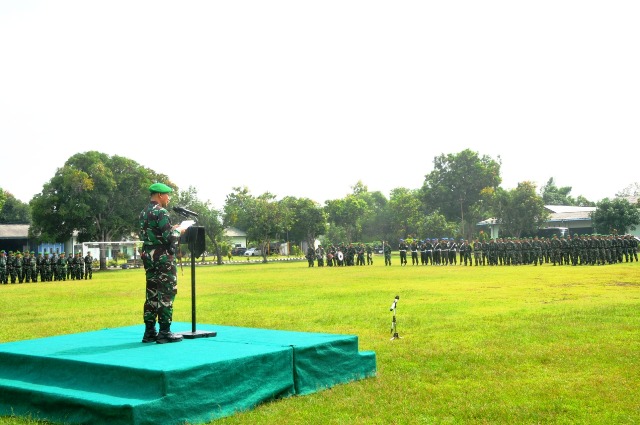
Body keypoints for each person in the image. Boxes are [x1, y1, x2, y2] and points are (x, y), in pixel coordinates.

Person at [139, 182, 186, 344]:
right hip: (163, 257)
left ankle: (149, 332)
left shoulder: (144, 212)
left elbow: (154, 233)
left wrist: (171, 228)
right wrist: (178, 230)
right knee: (166, 292)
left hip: (148, 255)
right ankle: (165, 332)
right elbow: (169, 237)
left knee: (151, 292)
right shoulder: (161, 212)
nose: (168, 198)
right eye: (167, 195)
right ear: (160, 195)